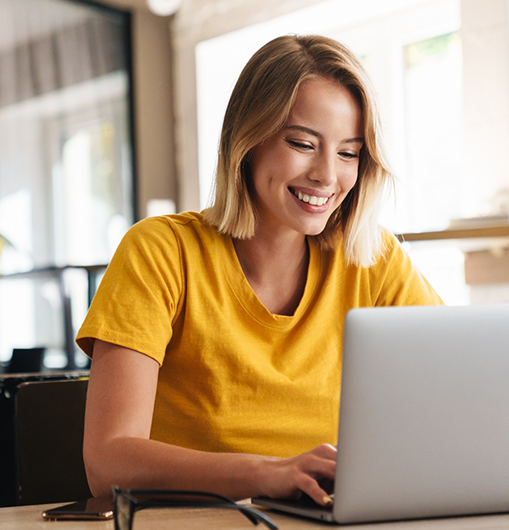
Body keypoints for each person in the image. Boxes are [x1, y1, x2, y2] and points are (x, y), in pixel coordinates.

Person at [77, 34, 442, 507]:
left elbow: (458, 394)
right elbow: (107, 465)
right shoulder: (161, 251)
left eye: (349, 153)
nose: (327, 176)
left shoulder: (373, 259)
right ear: (247, 140)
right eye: (302, 144)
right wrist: (267, 473)